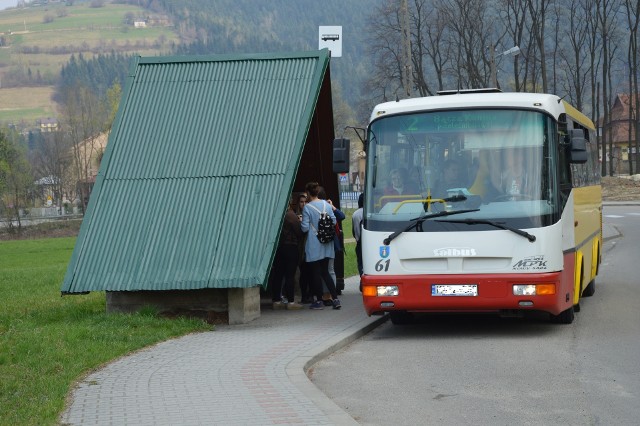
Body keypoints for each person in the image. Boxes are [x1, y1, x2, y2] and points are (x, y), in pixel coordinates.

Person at [300, 181, 341, 310]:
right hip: (326, 242)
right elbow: (333, 220)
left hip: (314, 243)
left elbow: (305, 228)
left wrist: (301, 221)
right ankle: (335, 299)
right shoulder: (326, 205)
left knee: (315, 273)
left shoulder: (307, 207)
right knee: (325, 272)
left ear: (307, 193)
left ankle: (319, 301)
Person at [270, 199, 304, 310]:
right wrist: (299, 221)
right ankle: (291, 302)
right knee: (290, 275)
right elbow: (299, 232)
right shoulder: (290, 215)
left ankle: (276, 301)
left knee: (278, 275)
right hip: (290, 247)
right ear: (289, 203)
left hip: (278, 248)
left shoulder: (274, 214)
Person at [318, 186, 345, 300]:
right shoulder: (328, 206)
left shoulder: (317, 206)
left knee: (324, 270)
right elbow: (341, 216)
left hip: (322, 242)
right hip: (331, 242)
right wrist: (332, 206)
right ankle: (331, 292)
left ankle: (326, 294)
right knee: (330, 269)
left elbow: (341, 216)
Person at [352, 192, 364, 280]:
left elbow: (354, 230)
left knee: (360, 262)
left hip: (360, 242)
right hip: (371, 242)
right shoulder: (373, 211)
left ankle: (362, 277)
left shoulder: (356, 214)